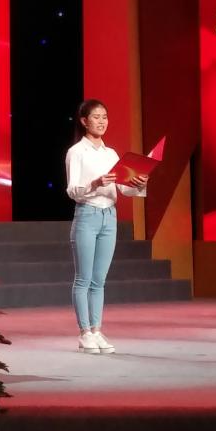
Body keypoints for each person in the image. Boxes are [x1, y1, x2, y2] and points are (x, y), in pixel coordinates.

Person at [65, 99, 147, 354]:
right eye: (96, 117)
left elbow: (124, 189)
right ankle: (84, 333)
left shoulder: (111, 154)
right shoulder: (77, 152)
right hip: (87, 215)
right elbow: (73, 190)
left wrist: (140, 183)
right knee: (83, 278)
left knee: (99, 280)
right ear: (84, 121)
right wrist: (95, 183)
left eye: (104, 117)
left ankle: (97, 330)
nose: (101, 122)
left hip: (109, 216)